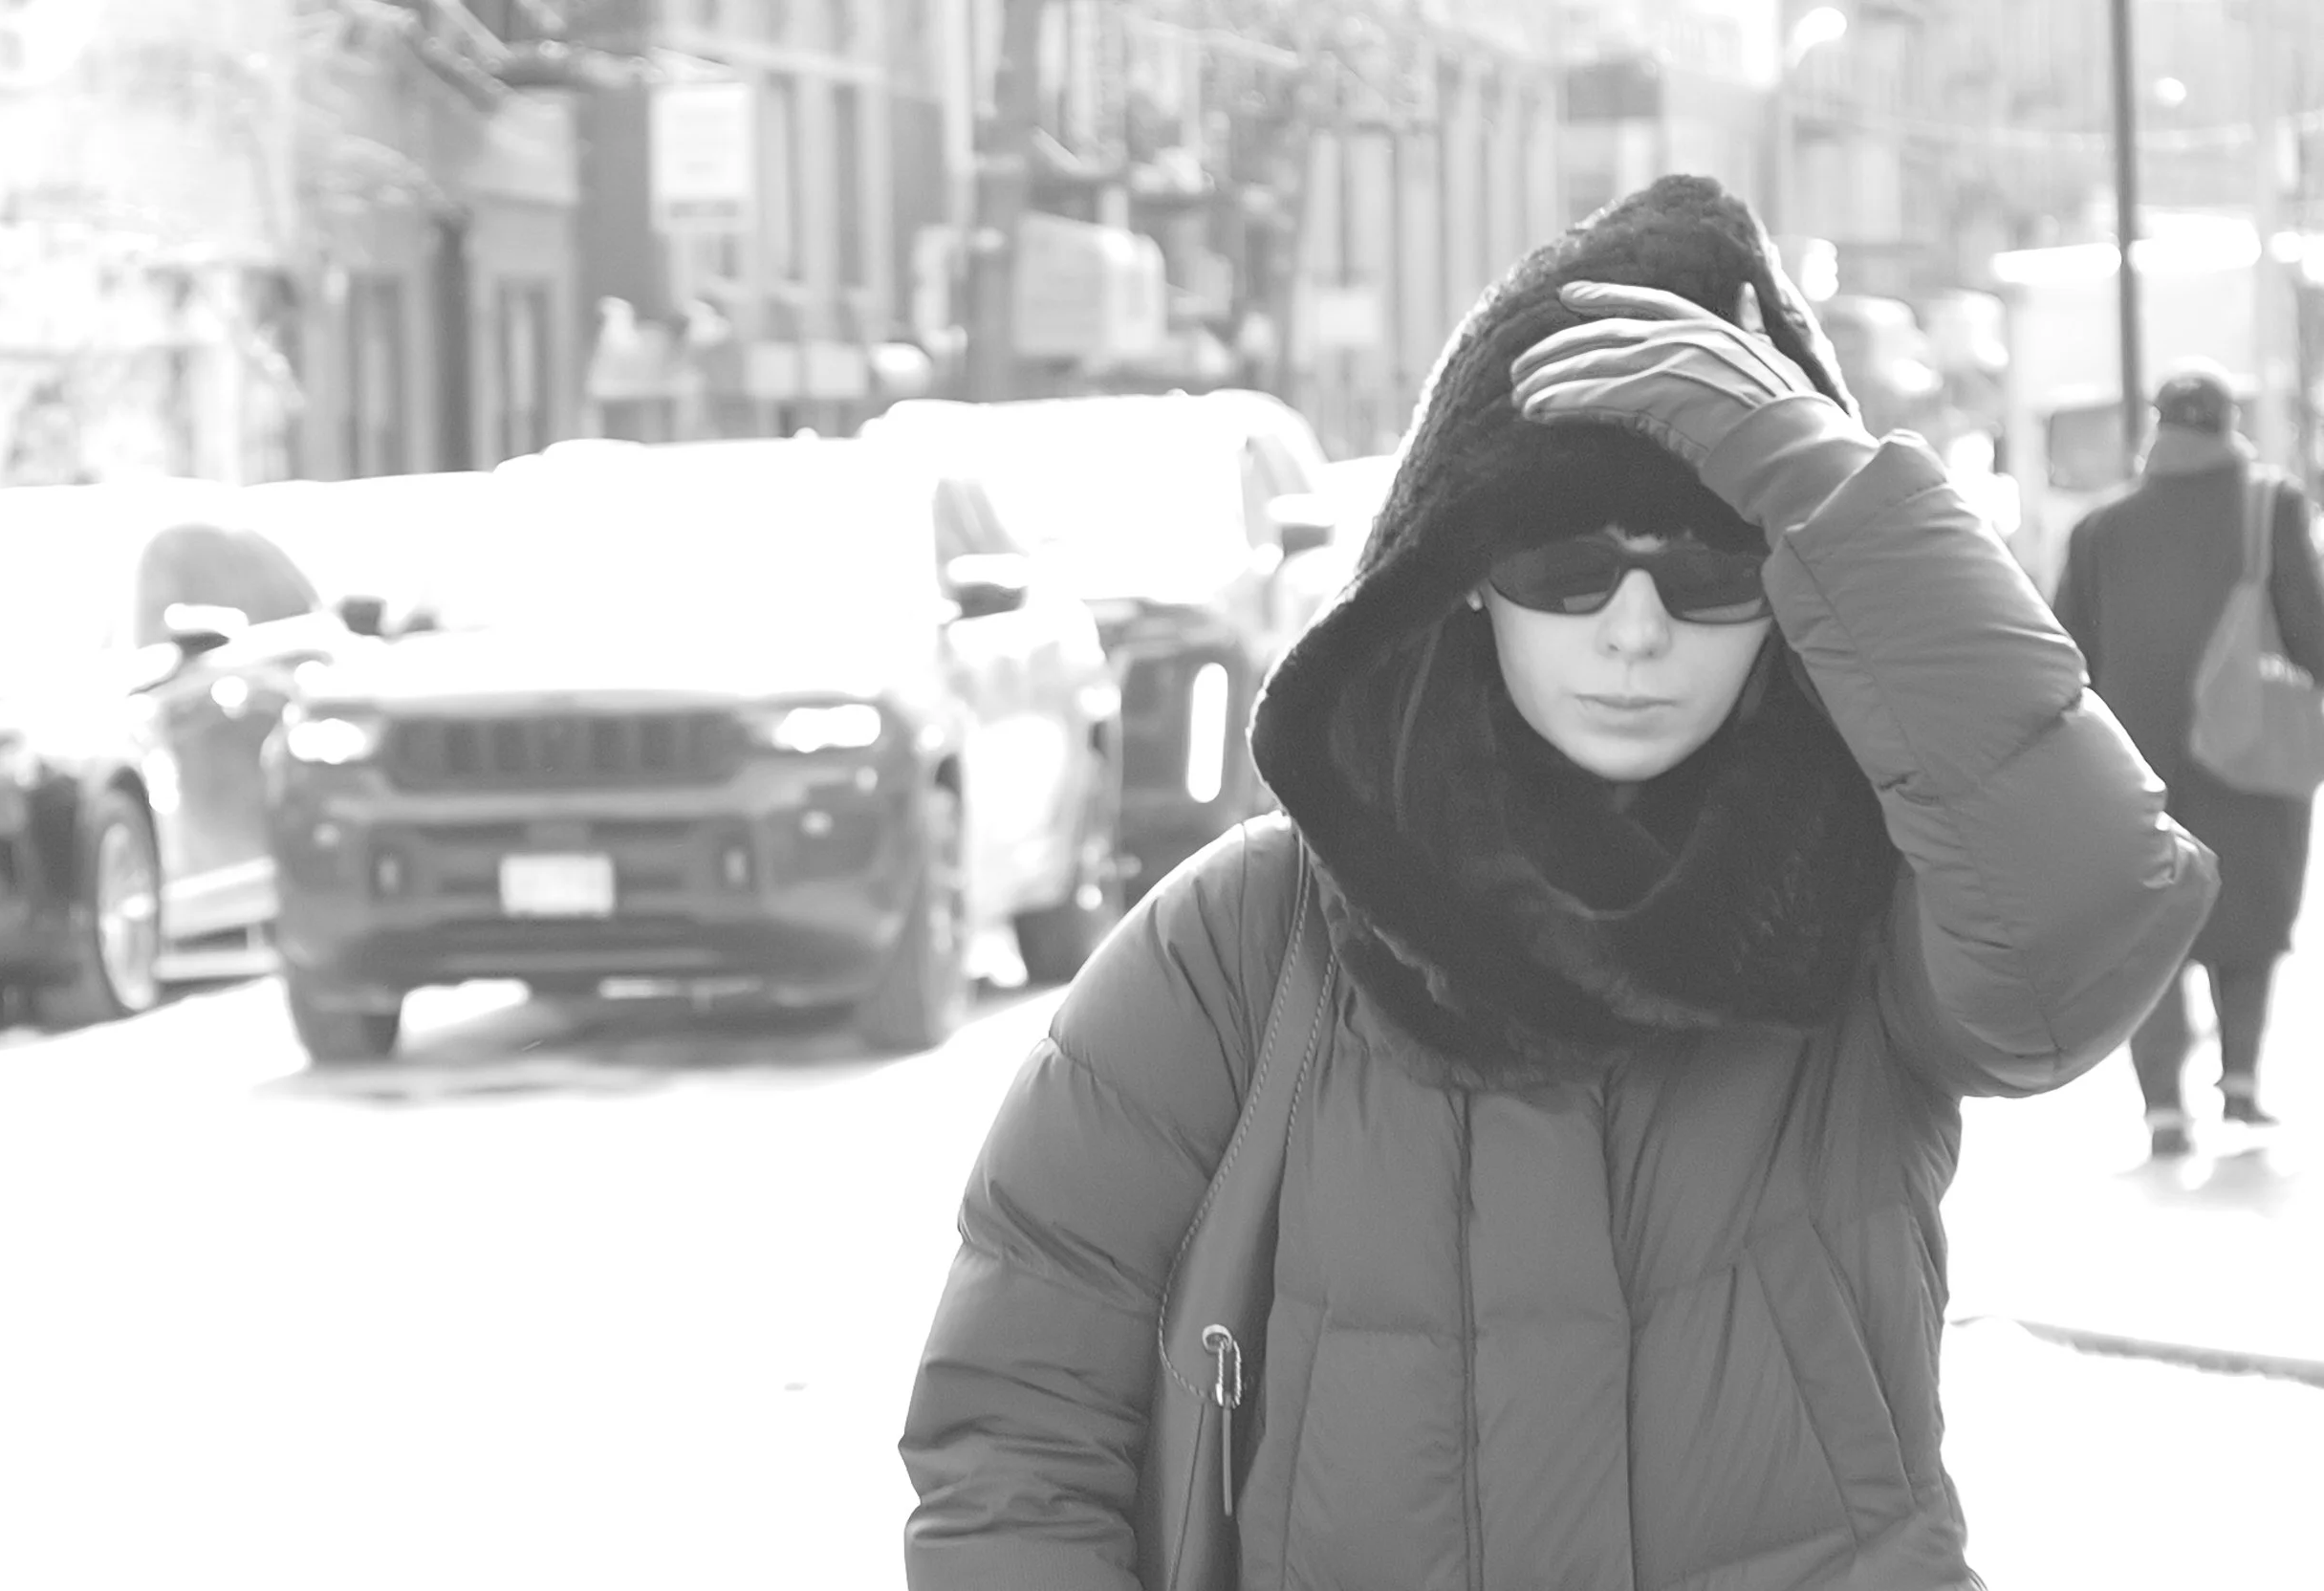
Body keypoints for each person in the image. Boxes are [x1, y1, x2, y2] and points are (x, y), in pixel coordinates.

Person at [901, 176, 2215, 1589]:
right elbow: (1018, 1433)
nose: (1636, 630)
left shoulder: (1862, 920)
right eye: (1568, 563)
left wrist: (1823, 481)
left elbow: (2089, 925)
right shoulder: (1246, 940)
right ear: (1464, 576)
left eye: (1712, 569)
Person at [2053, 361, 2324, 1159]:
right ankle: (2239, 1088)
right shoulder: (2269, 506)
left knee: (2156, 927)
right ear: (2228, 424)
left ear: (2157, 428)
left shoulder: (2099, 532)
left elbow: (2067, 658)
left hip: (2136, 768)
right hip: (2251, 753)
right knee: (2251, 908)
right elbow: (2311, 631)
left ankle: (2163, 1108)